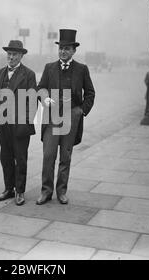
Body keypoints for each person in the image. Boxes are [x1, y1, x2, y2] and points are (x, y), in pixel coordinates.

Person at [36, 29, 95, 205]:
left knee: (65, 157)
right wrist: (44, 98)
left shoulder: (82, 69)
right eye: (61, 48)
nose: (63, 51)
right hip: (52, 119)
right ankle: (46, 191)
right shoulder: (49, 68)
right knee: (48, 156)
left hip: (72, 119)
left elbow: (90, 93)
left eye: (67, 48)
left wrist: (81, 111)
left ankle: (61, 191)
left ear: (74, 51)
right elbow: (40, 88)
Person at [0, 40, 37, 206]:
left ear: (21, 56)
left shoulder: (28, 74)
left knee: (20, 158)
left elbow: (32, 101)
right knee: (5, 157)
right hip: (2, 124)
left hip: (20, 125)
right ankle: (9, 189)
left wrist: (26, 122)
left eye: (15, 54)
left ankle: (20, 191)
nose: (11, 57)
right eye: (9, 54)